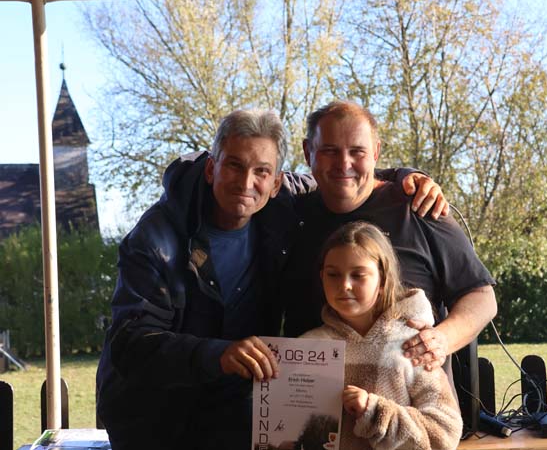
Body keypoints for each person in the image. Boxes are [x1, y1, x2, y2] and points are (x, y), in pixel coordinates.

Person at [95, 108, 446, 450]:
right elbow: (130, 343)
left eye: (261, 171)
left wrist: (406, 177)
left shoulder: (281, 203)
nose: (246, 182)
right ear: (211, 169)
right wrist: (217, 354)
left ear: (276, 182)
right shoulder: (155, 240)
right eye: (234, 165)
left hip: (232, 412)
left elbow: (342, 172)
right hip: (152, 419)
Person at [280, 100, 497, 372]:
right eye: (329, 151)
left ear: (376, 152)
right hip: (313, 394)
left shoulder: (419, 206)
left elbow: (481, 296)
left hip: (413, 395)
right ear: (307, 151)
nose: (343, 163)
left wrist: (442, 340)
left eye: (357, 151)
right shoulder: (288, 216)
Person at [301, 221, 462, 450]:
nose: (344, 285)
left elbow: (444, 433)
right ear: (322, 277)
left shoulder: (413, 346)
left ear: (383, 280)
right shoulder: (306, 348)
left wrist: (376, 413)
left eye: (358, 275)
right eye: (333, 274)